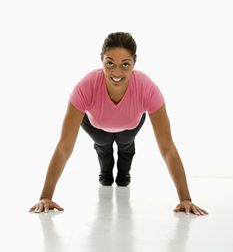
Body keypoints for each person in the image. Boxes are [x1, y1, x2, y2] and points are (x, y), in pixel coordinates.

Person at [29, 32, 208, 215]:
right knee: (104, 151)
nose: (116, 72)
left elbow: (167, 148)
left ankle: (124, 167)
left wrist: (185, 199)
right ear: (102, 60)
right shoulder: (86, 86)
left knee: (125, 151)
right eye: (110, 63)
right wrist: (45, 196)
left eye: (125, 64)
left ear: (134, 62)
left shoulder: (147, 88)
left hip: (130, 124)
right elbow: (64, 147)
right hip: (95, 125)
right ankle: (105, 165)